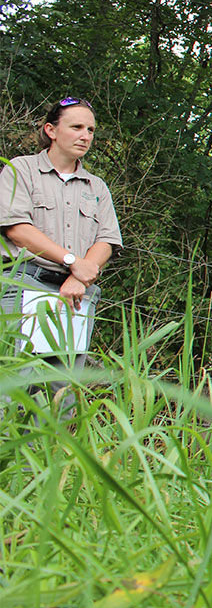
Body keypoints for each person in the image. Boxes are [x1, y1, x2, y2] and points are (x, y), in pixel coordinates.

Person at [0, 97, 122, 410]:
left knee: (62, 395)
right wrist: (72, 262)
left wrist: (81, 277)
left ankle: (50, 460)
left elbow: (107, 240)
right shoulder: (21, 170)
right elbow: (17, 229)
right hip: (24, 288)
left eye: (91, 129)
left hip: (76, 297)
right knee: (11, 386)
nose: (86, 135)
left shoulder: (97, 187)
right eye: (77, 127)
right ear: (51, 130)